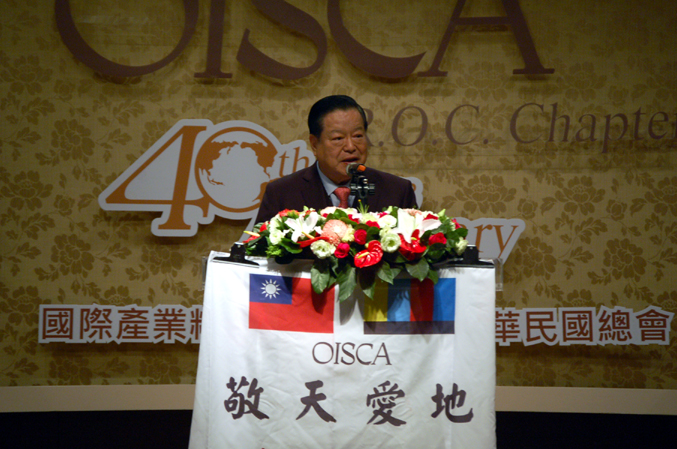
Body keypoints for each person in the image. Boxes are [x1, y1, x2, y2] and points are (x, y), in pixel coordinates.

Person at [254, 95, 417, 224]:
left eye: (358, 136)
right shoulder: (281, 194)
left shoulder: (397, 191)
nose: (351, 147)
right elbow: (259, 252)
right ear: (314, 144)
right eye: (338, 138)